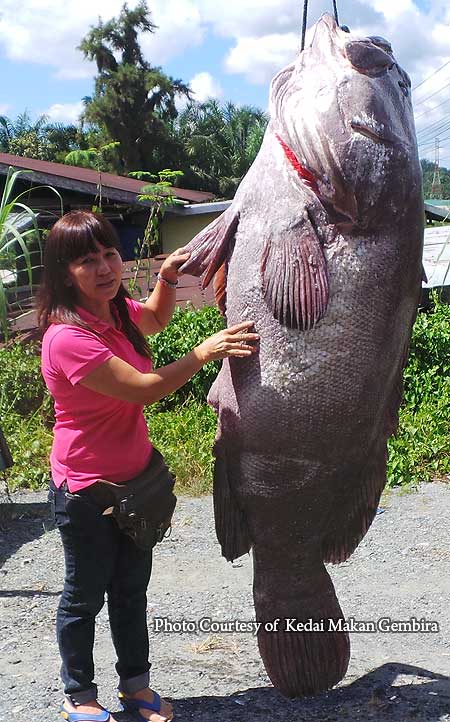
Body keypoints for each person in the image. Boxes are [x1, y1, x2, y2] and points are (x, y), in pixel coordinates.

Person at [37, 210, 259, 722]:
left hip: (135, 484)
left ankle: (135, 688)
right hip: (88, 492)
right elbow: (145, 388)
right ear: (63, 272)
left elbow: (155, 319)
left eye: (109, 254)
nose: (104, 267)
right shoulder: (67, 338)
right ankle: (80, 695)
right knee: (84, 594)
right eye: (86, 260)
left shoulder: (114, 313)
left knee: (131, 589)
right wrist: (204, 353)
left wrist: (165, 279)